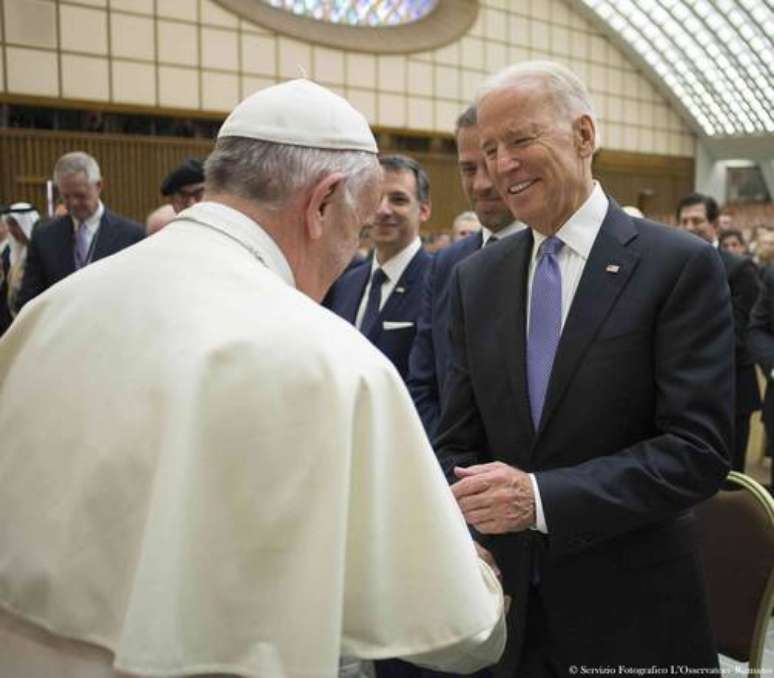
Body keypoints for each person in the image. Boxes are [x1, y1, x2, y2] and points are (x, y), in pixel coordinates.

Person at [0, 79, 505, 678]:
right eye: (358, 228)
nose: (352, 251)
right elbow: (455, 629)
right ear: (323, 203)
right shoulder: (330, 359)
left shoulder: (54, 310)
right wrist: (481, 579)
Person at [435, 61, 732, 676]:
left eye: (521, 140)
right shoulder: (476, 279)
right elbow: (459, 438)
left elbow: (696, 451)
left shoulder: (678, 266)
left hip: (632, 618)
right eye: (489, 150)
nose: (501, 166)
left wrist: (542, 499)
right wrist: (466, 532)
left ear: (584, 136)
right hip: (508, 615)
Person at [408, 104, 524, 438]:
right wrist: (449, 466)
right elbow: (423, 380)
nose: (482, 184)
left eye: (490, 166)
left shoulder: (551, 259)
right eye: (468, 169)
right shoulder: (446, 264)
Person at [325, 154, 432, 381]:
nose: (383, 210)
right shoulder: (346, 283)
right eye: (375, 199)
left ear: (423, 210)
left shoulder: (438, 282)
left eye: (398, 200)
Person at [677, 192, 761, 472]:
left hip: (730, 390)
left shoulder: (739, 268)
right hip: (678, 391)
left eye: (697, 220)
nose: (689, 226)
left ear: (715, 225)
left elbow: (741, 332)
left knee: (728, 480)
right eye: (684, 220)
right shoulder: (669, 266)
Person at [14, 151, 144, 311]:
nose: (73, 203)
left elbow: (138, 296)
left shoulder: (131, 235)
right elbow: (28, 299)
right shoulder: (44, 237)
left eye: (80, 195)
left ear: (99, 186)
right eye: (66, 197)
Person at [0, 202, 39, 335]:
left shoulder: (41, 253)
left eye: (15, 225)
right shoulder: (11, 254)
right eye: (10, 225)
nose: (12, 230)